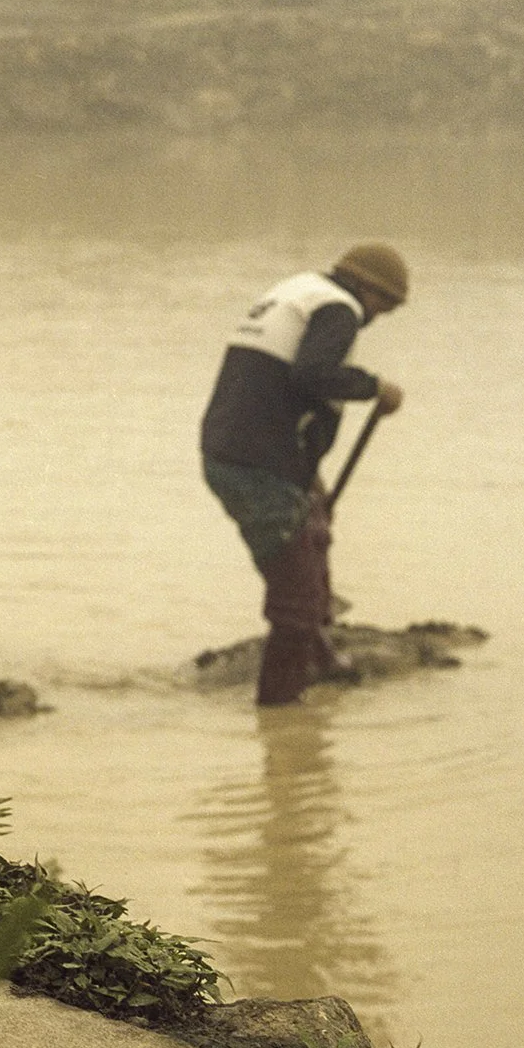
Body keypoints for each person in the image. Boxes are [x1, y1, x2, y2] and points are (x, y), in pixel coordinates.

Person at [200, 242, 409, 706]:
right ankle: (281, 719)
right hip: (256, 464)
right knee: (293, 602)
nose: (377, 318)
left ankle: (321, 659)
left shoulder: (298, 291)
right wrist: (375, 387)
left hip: (232, 452)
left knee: (313, 526)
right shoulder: (339, 309)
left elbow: (277, 391)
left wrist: (307, 472)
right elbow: (312, 376)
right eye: (383, 305)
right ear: (364, 286)